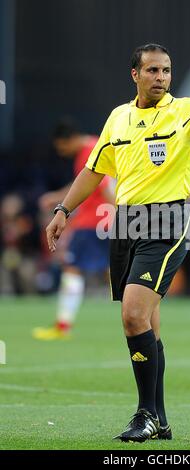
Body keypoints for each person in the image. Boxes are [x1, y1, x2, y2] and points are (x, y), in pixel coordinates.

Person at [44, 44, 190, 441]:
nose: (161, 77)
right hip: (126, 224)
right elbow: (94, 171)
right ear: (135, 74)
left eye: (165, 70)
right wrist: (64, 209)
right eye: (152, 70)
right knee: (146, 323)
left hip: (167, 222)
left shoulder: (183, 111)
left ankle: (145, 414)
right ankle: (160, 420)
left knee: (133, 315)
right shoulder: (119, 118)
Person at [33, 119, 115, 340]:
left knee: (72, 268)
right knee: (115, 271)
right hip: (103, 220)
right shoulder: (96, 145)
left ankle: (62, 326)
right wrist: (58, 197)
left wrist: (119, 212)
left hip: (93, 221)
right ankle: (143, 316)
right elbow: (84, 183)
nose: (61, 152)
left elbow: (103, 183)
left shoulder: (90, 151)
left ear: (70, 139)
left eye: (62, 147)